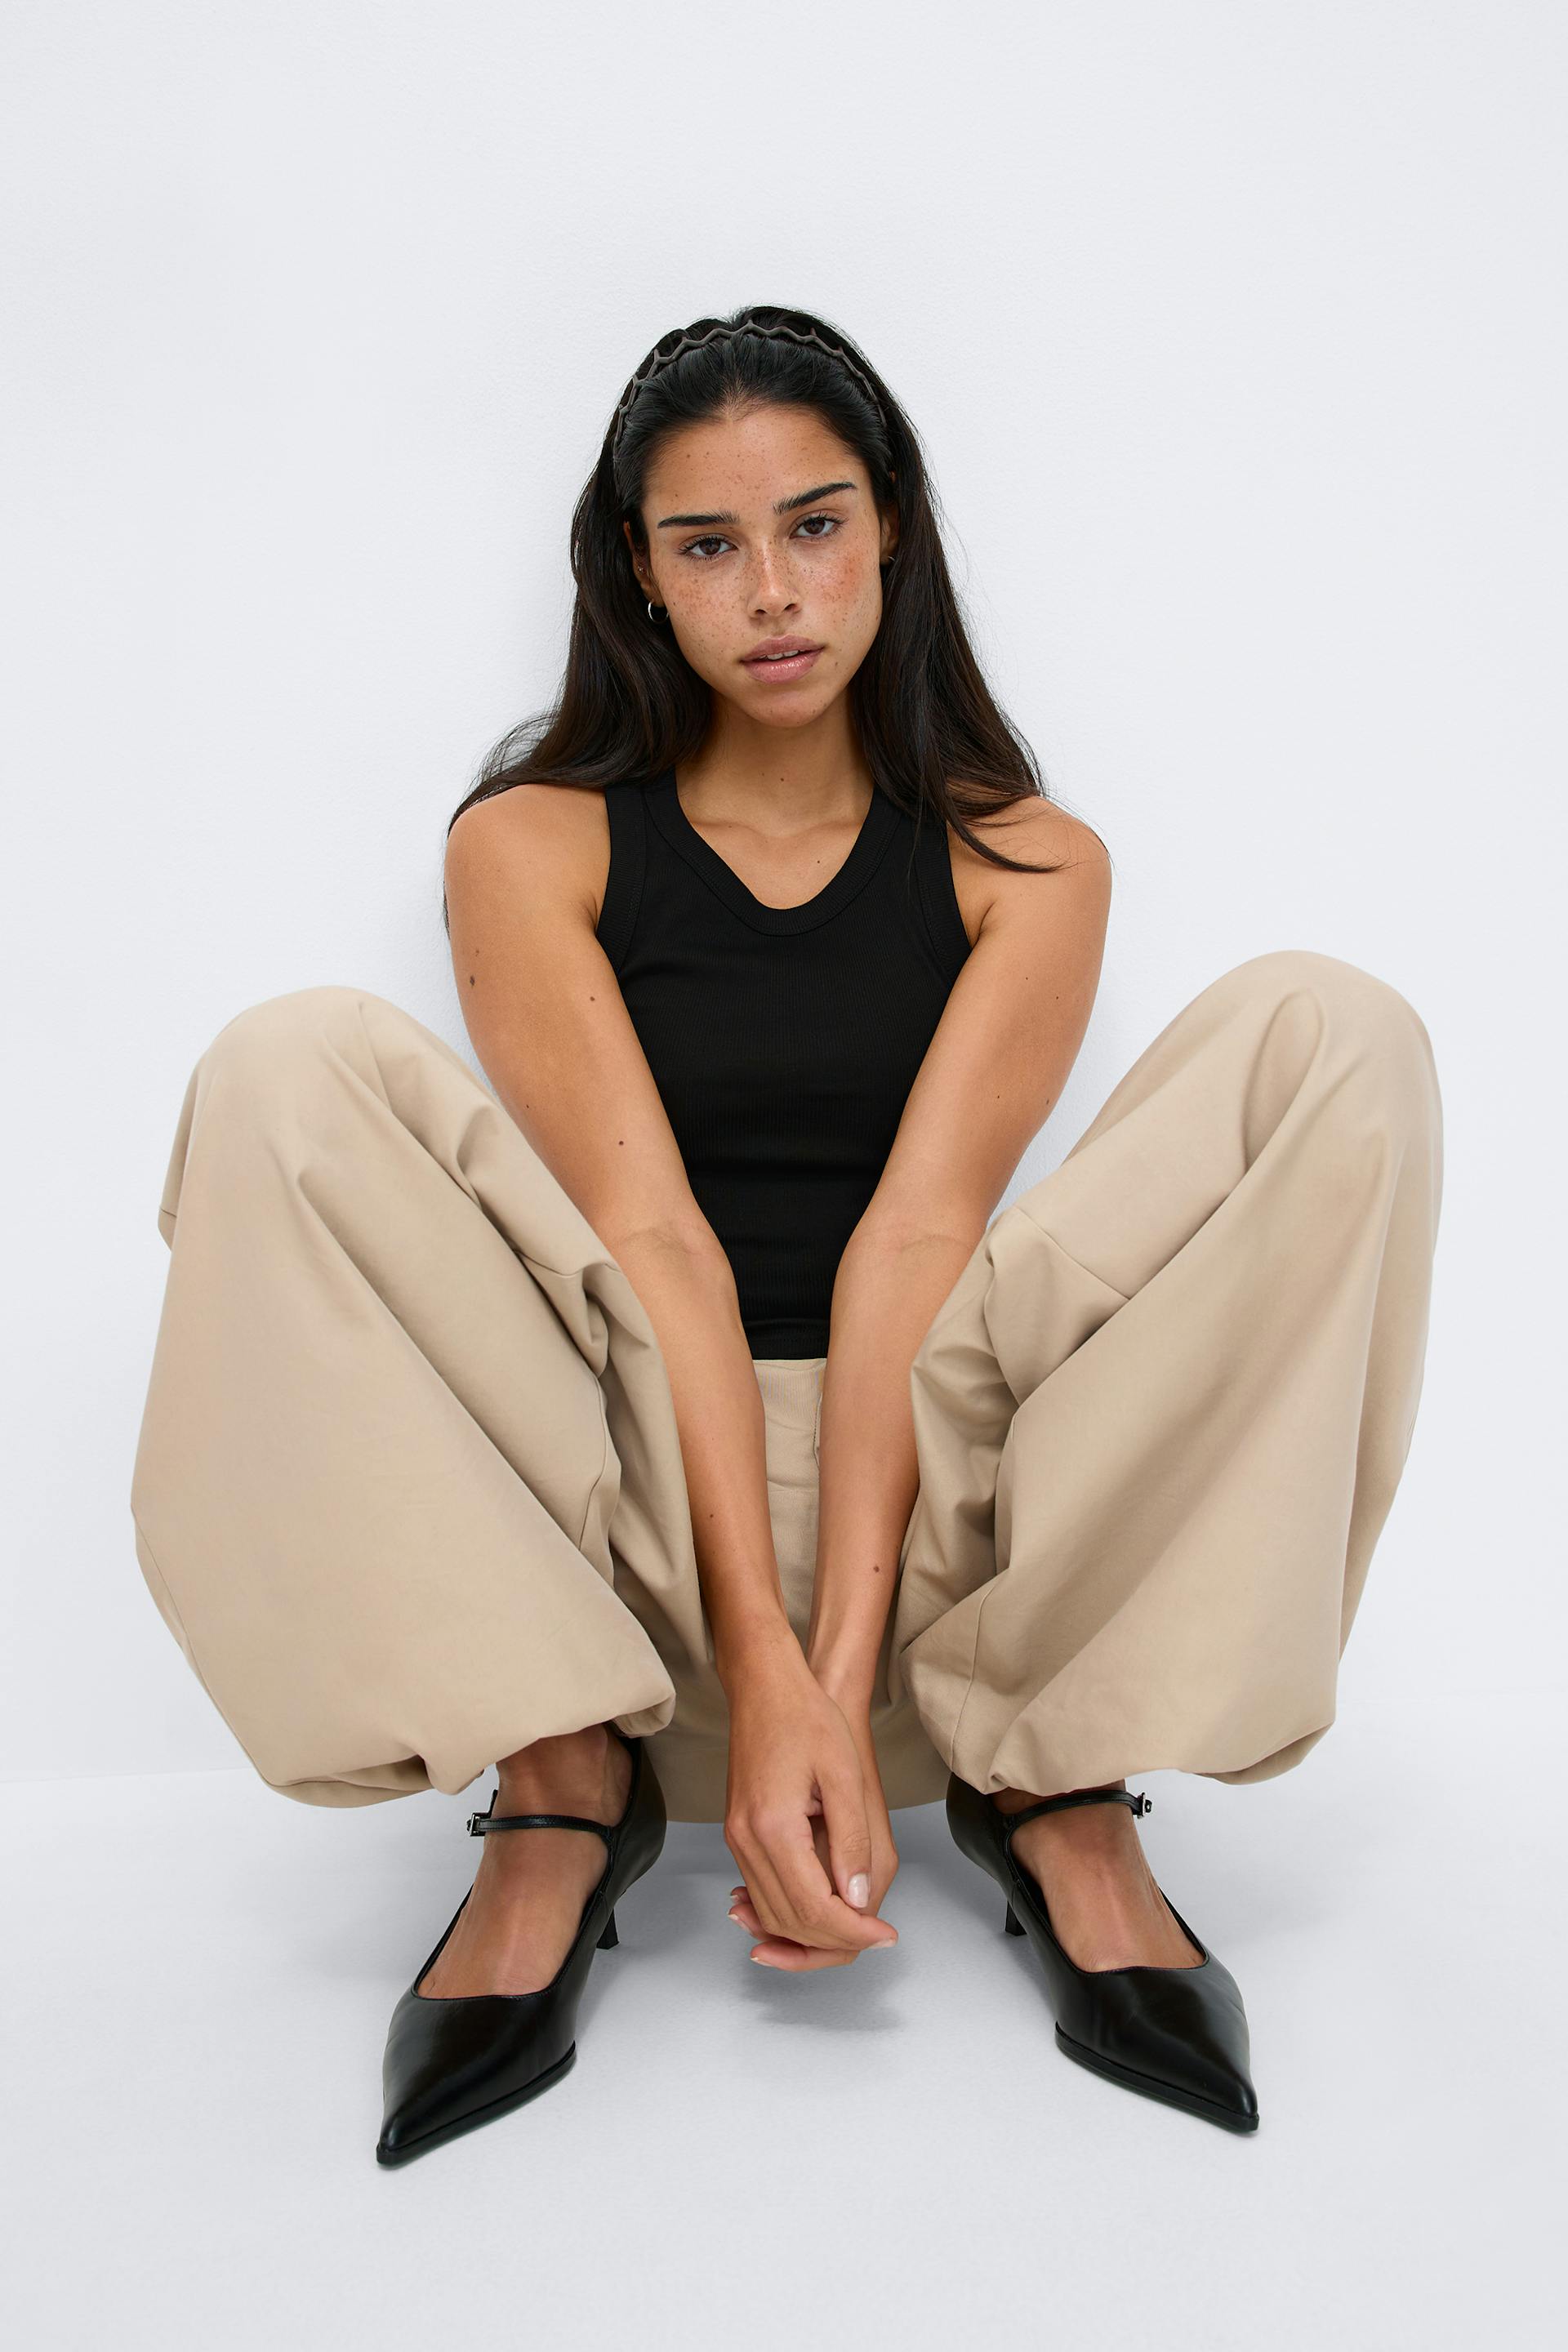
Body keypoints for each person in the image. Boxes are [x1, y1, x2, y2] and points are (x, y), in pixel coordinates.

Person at [129, 303, 1444, 2167]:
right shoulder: (534, 844)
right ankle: (561, 1789)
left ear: (890, 529)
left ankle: (1059, 1779)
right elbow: (647, 1237)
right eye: (707, 544)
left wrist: (832, 1682)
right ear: (637, 574)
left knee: (1336, 1032)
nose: (771, 593)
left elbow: (920, 1243)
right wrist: (757, 1679)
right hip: (621, 1563)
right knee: (286, 1066)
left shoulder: (1028, 859)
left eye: (815, 526)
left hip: (962, 1578)